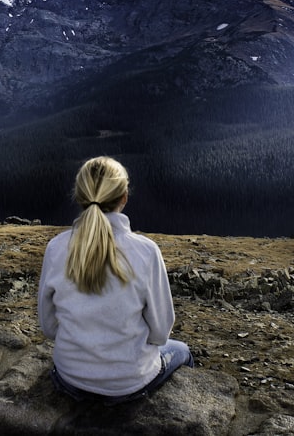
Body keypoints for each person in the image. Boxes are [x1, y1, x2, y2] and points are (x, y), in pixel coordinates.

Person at [37, 156, 194, 405]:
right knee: (183, 350)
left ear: (80, 196)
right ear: (124, 197)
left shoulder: (56, 248)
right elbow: (161, 332)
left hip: (70, 377)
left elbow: (49, 327)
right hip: (129, 383)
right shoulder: (146, 251)